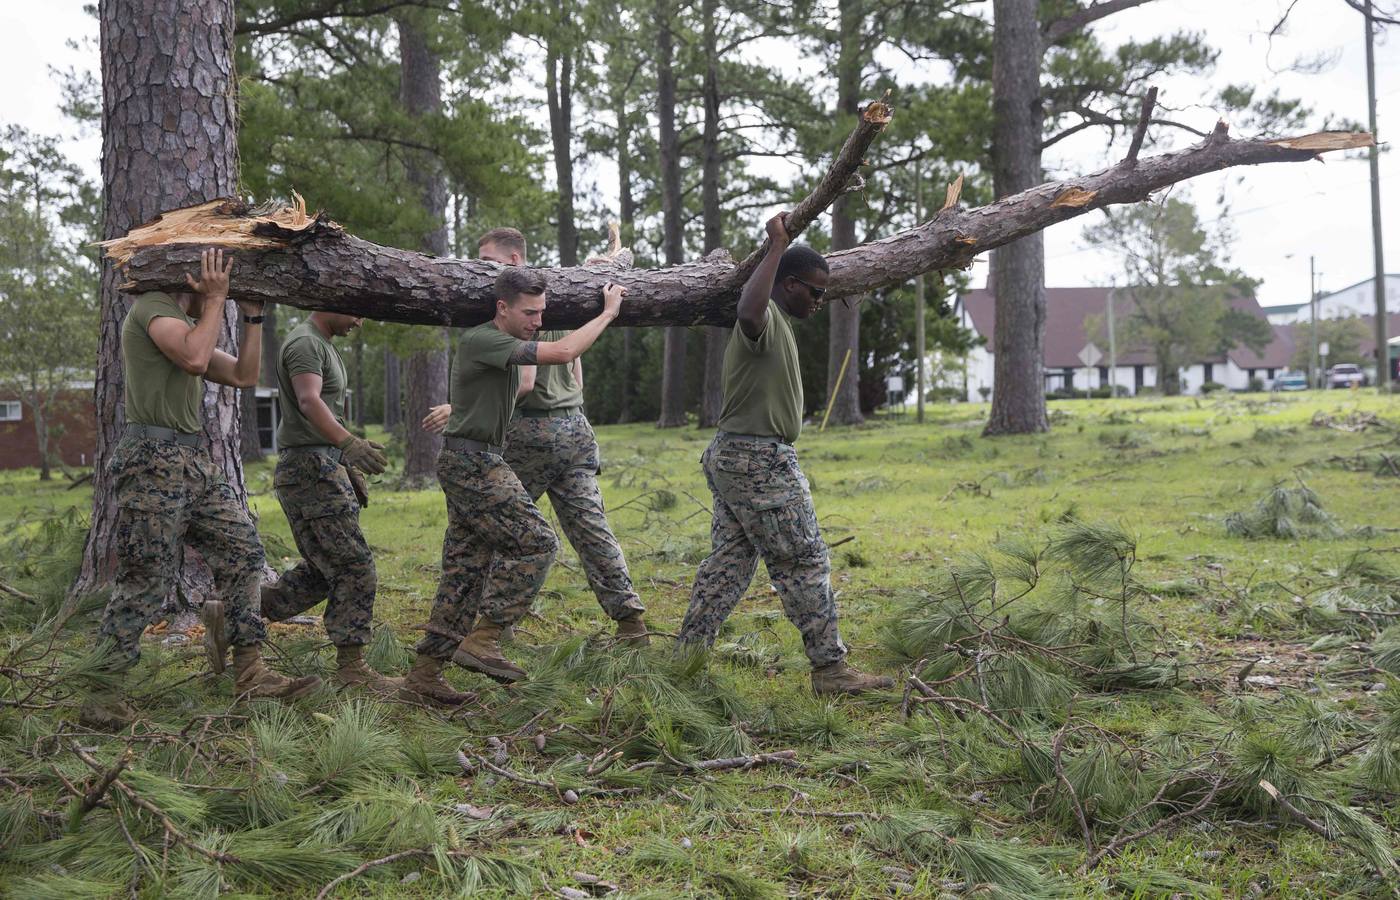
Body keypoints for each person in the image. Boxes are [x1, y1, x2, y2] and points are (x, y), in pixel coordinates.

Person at [83, 249, 321, 729]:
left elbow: (243, 375)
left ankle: (250, 672)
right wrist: (215, 299)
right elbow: (194, 358)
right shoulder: (152, 307)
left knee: (243, 551)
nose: (220, 293)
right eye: (214, 281)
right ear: (190, 277)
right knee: (146, 577)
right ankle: (101, 694)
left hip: (192, 463)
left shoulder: (187, 324)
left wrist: (251, 316)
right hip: (152, 462)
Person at [676, 213, 892, 695]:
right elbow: (747, 310)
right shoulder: (765, 319)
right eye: (814, 292)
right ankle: (830, 670)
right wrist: (775, 246)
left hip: (736, 455)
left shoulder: (782, 326)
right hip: (758, 462)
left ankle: (686, 659)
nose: (819, 302)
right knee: (804, 559)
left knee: (729, 563)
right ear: (788, 284)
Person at [424, 228, 649, 646]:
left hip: (533, 432)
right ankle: (630, 622)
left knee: (501, 526)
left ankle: (494, 626)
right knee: (590, 528)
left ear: (513, 260)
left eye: (487, 260)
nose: (480, 267)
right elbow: (575, 369)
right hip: (575, 426)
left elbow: (525, 382)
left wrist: (460, 408)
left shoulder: (523, 311)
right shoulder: (559, 296)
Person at [258, 310, 401, 694]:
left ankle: (239, 613)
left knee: (325, 571)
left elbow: (322, 409)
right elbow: (309, 401)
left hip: (320, 465)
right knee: (354, 566)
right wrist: (348, 444)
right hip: (309, 471)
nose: (360, 322)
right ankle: (352, 670)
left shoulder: (322, 343)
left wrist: (343, 461)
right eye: (355, 312)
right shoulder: (306, 342)